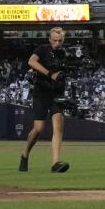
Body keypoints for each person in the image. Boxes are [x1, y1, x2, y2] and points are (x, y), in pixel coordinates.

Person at [18, 25, 71, 174]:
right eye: (55, 40)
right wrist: (50, 74)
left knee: (59, 125)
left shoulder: (64, 54)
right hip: (41, 93)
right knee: (39, 129)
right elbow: (31, 62)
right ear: (50, 39)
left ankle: (55, 162)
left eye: (60, 40)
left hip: (57, 94)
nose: (57, 43)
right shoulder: (42, 49)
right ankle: (25, 154)